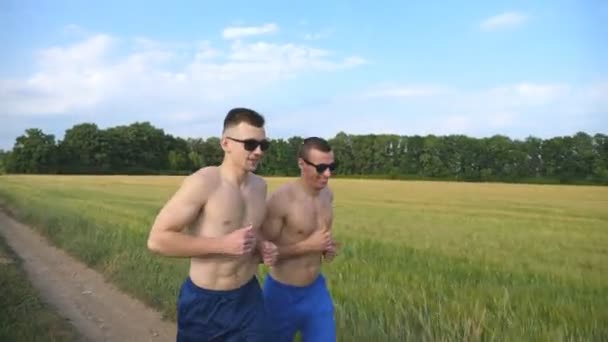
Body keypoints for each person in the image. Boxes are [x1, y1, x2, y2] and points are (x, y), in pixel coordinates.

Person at [146, 107, 278, 342]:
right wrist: (222, 244)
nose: (258, 152)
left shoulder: (260, 187)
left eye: (263, 145)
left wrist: (263, 246)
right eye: (250, 144)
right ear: (226, 143)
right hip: (205, 303)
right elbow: (158, 240)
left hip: (248, 297)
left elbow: (251, 233)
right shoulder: (204, 182)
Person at [260, 136, 339, 342]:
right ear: (301, 164)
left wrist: (326, 248)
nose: (328, 174)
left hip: (316, 292)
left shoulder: (327, 196)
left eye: (332, 166)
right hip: (280, 295)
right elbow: (261, 253)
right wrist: (307, 246)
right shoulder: (281, 200)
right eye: (321, 167)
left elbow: (318, 238)